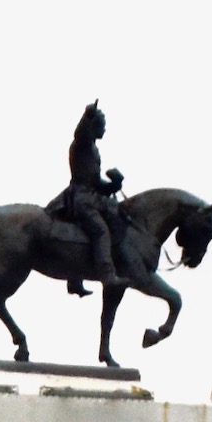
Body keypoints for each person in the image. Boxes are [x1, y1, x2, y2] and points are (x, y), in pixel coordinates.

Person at [50, 102, 137, 297]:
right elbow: (80, 133)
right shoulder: (83, 144)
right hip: (80, 197)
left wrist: (114, 184)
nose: (105, 129)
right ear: (94, 126)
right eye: (102, 125)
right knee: (100, 231)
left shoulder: (94, 150)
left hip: (91, 195)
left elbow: (96, 181)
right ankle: (108, 276)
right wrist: (87, 116)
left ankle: (75, 278)